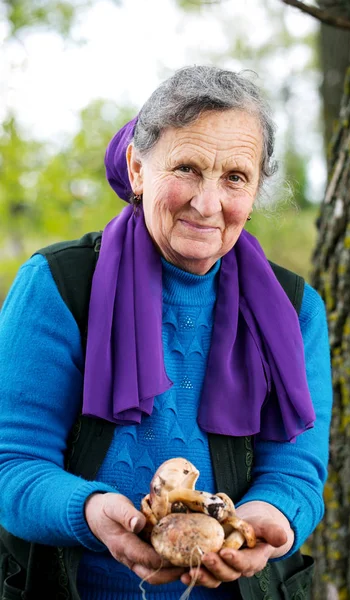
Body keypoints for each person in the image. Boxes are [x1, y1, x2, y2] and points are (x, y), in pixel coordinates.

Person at [0, 65, 332, 600]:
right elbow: (10, 464)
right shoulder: (58, 286)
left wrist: (268, 515)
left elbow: (297, 469)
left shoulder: (297, 310)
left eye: (235, 178)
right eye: (186, 168)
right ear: (137, 167)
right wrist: (90, 512)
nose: (207, 202)